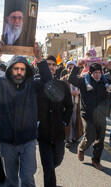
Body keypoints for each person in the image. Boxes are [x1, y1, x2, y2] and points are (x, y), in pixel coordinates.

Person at [0, 41, 52, 187]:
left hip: (28, 140)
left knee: (27, 179)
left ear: (27, 71)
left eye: (22, 69)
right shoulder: (1, 83)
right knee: (11, 181)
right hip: (6, 140)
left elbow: (48, 81)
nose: (19, 72)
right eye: (16, 68)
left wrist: (40, 59)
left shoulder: (32, 85)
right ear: (10, 69)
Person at [68, 62, 111, 171]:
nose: (97, 75)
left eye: (99, 72)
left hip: (101, 115)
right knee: (90, 135)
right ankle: (82, 148)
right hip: (87, 115)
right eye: (95, 73)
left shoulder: (104, 82)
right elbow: (71, 79)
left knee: (100, 140)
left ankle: (96, 160)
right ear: (90, 73)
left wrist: (110, 67)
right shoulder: (83, 82)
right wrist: (78, 66)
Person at [37, 55, 73, 187]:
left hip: (58, 132)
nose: (51, 67)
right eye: (48, 64)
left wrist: (64, 121)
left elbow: (69, 106)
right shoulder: (37, 84)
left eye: (53, 64)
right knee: (48, 167)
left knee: (57, 160)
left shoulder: (62, 85)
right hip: (43, 134)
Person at [61, 61, 83, 148]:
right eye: (69, 68)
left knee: (75, 121)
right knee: (68, 122)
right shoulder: (63, 79)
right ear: (67, 69)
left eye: (72, 67)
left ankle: (75, 137)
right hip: (67, 105)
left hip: (77, 103)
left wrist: (79, 93)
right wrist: (70, 92)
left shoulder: (79, 78)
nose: (71, 69)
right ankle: (67, 139)